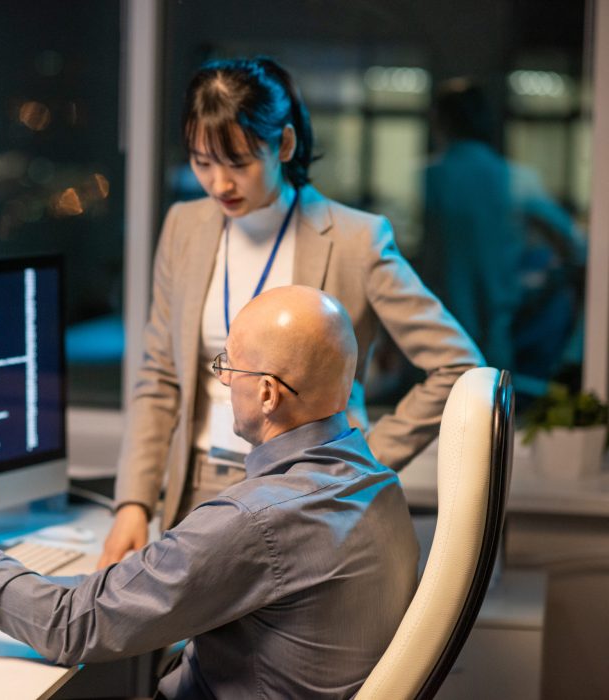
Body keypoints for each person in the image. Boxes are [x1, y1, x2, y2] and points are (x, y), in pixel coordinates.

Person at [0, 285, 418, 699]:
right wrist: (11, 587)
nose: (222, 382)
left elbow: (68, 630)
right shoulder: (373, 482)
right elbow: (120, 600)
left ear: (266, 394)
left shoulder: (255, 520)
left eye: (228, 368)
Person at [100, 57, 482, 567]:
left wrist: (362, 462)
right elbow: (160, 376)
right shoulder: (184, 227)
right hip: (196, 487)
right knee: (182, 647)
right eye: (202, 161)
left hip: (308, 494)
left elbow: (458, 366)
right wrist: (133, 501)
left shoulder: (355, 239)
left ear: (283, 144)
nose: (219, 184)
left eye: (238, 162)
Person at [421, 78, 586, 380]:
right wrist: (544, 284)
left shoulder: (427, 179)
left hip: (429, 334)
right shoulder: (514, 178)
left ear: (440, 122)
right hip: (495, 333)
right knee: (493, 415)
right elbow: (576, 246)